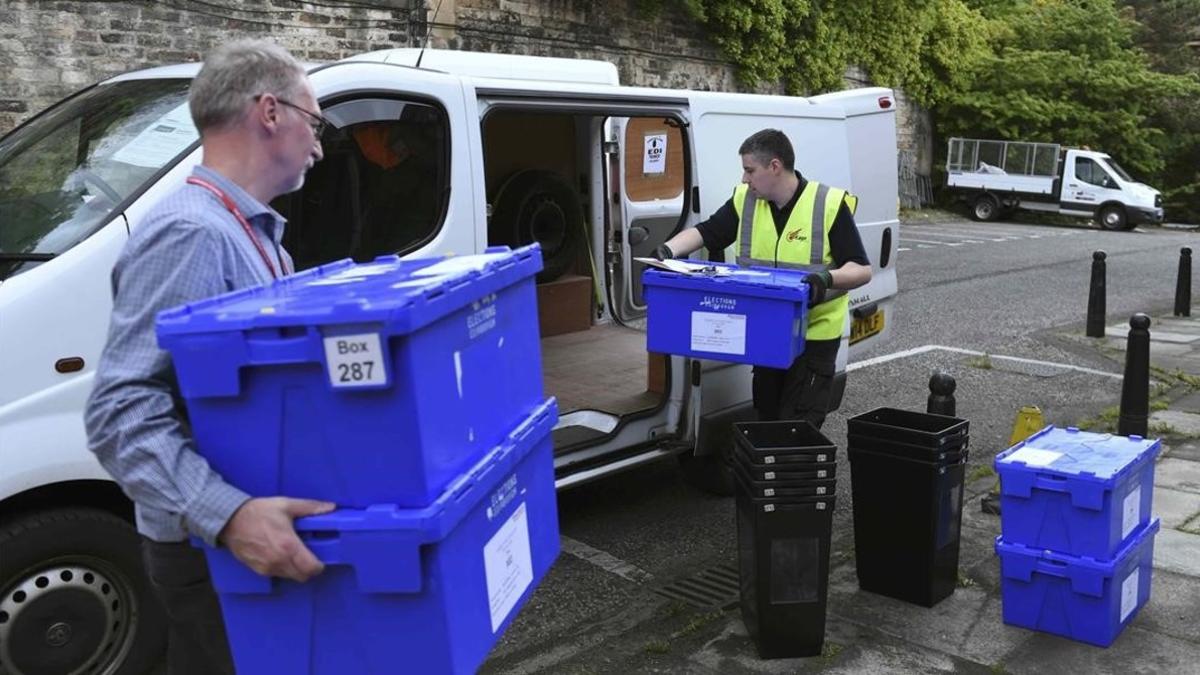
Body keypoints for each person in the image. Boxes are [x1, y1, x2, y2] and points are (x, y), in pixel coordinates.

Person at [85, 40, 333, 675]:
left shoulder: (255, 235)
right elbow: (120, 412)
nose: (320, 145)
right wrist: (230, 517)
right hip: (212, 554)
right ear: (270, 112)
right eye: (316, 121)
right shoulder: (193, 234)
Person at [653, 129, 872, 429]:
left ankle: (794, 476)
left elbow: (861, 268)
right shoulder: (746, 201)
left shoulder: (828, 204)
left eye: (749, 170)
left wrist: (825, 279)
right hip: (768, 334)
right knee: (767, 422)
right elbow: (707, 232)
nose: (744, 179)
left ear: (775, 166)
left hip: (814, 338)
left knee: (797, 429)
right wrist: (667, 251)